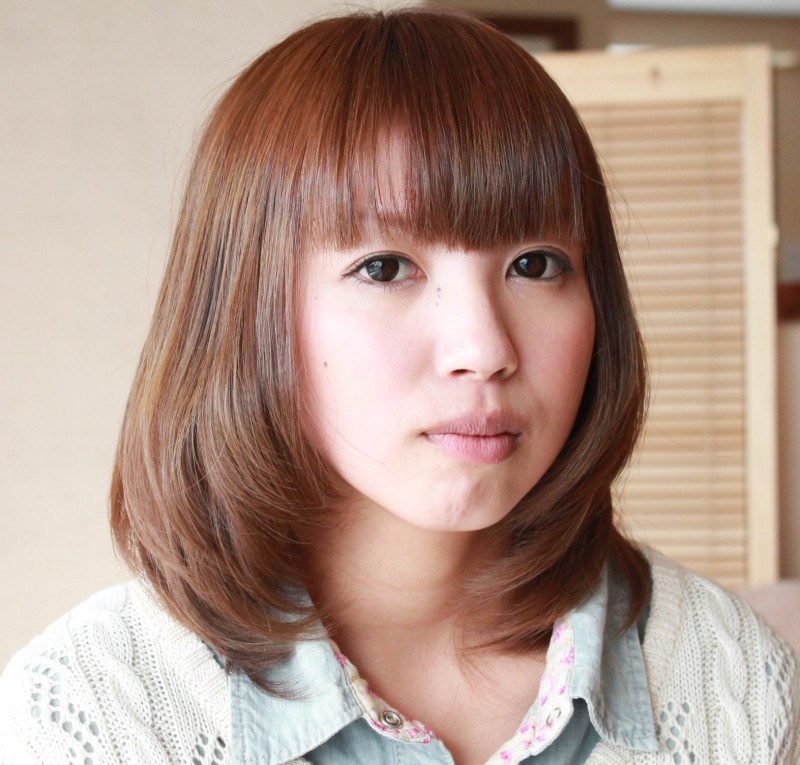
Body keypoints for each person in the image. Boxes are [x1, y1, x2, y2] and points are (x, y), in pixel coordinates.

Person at [1, 8, 797, 764]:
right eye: (384, 268)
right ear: (247, 310)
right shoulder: (95, 713)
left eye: (535, 264)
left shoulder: (729, 677)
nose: (484, 349)